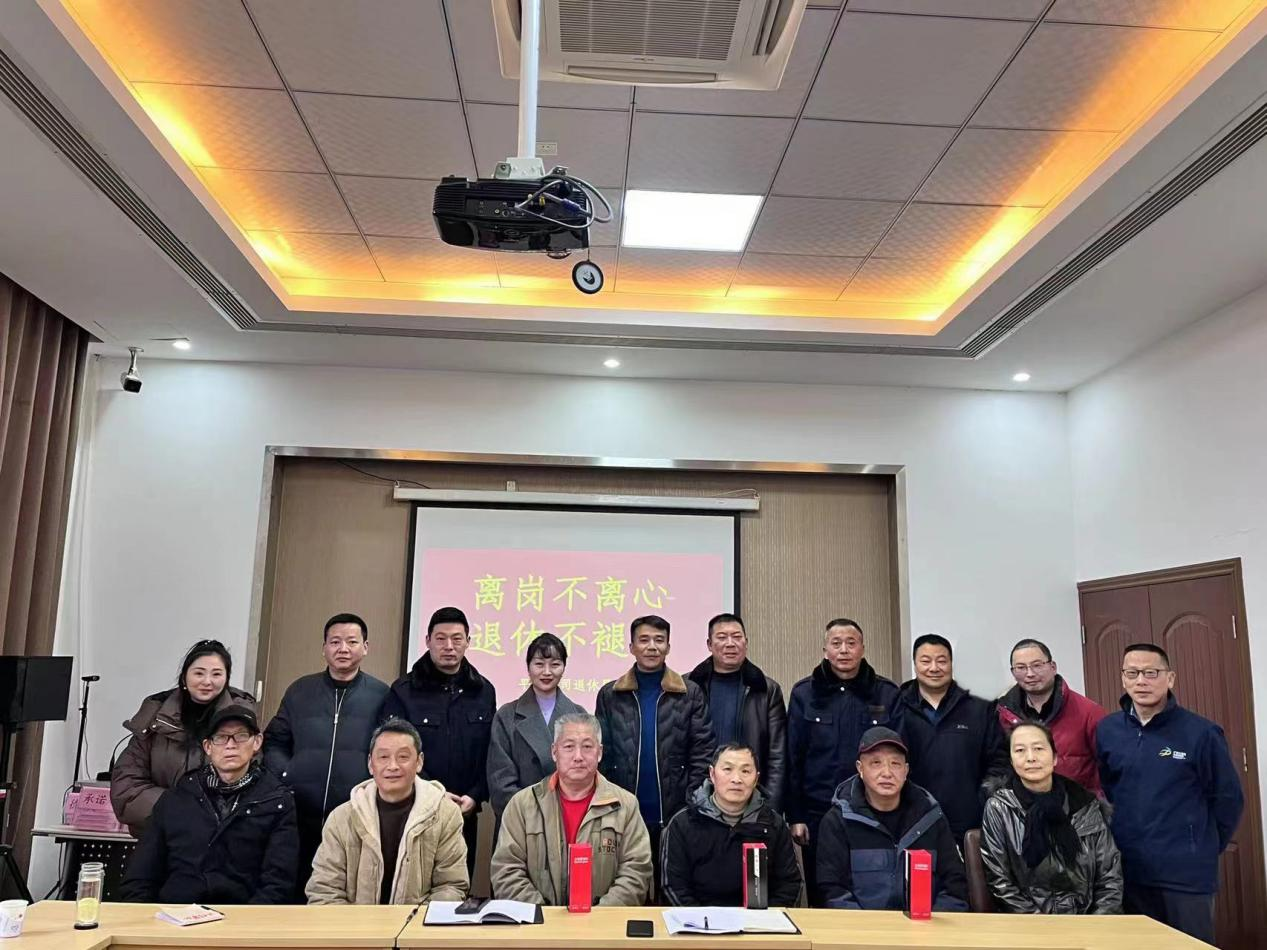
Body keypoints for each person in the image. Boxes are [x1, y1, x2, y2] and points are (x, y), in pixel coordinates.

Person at [1097, 643, 1244, 943]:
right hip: (1130, 871)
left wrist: (1201, 845)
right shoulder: (1108, 730)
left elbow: (1228, 799)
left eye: (1151, 673)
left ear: (1170, 678)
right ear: (1123, 678)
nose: (1141, 681)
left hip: (1185, 877)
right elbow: (1110, 788)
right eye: (1132, 673)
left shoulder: (1201, 733)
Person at [264, 612, 390, 897]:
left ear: (365, 647)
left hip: (355, 815)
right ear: (324, 648)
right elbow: (274, 741)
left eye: (351, 642)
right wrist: (287, 774)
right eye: (335, 642)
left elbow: (387, 750)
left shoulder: (381, 694)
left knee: (344, 894)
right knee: (293, 892)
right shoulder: (300, 690)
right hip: (299, 813)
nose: (343, 648)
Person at [119, 705, 298, 904]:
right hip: (176, 911)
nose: (230, 745)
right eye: (221, 737)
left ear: (257, 742)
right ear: (208, 747)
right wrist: (148, 916)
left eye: (241, 736)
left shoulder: (276, 801)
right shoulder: (177, 798)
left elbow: (278, 884)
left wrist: (246, 921)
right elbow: (140, 875)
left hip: (242, 914)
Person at [594, 615, 714, 890]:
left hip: (675, 811)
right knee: (624, 887)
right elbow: (602, 755)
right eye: (644, 640)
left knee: (671, 888)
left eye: (659, 640)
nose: (652, 647)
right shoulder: (610, 694)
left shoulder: (689, 693)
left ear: (668, 647)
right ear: (631, 647)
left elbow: (702, 751)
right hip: (622, 811)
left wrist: (690, 801)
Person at [786, 618, 899, 906]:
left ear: (863, 648)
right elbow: (793, 758)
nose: (844, 650)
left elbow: (901, 757)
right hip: (818, 812)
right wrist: (796, 815)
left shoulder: (887, 693)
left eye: (851, 643)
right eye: (836, 644)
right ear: (825, 650)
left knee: (873, 892)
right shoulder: (804, 693)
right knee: (823, 893)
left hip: (874, 812)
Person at [491, 713, 652, 905]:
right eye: (568, 747)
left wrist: (600, 916)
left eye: (587, 747)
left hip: (604, 921)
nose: (578, 757)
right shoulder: (522, 805)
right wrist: (544, 915)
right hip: (539, 921)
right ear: (554, 752)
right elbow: (506, 870)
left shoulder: (625, 805)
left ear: (600, 752)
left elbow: (636, 871)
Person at [382, 606, 496, 876]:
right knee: (411, 884)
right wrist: (433, 792)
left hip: (465, 812)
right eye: (441, 638)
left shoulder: (483, 691)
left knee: (457, 886)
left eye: (457, 639)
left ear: (468, 642)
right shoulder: (404, 690)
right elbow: (393, 752)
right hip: (414, 809)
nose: (449, 646)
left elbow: (490, 751)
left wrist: (475, 795)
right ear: (427, 641)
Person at [306, 718, 468, 905]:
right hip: (354, 922)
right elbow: (324, 890)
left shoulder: (445, 815)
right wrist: (356, 924)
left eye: (403, 757)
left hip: (416, 922)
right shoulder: (341, 818)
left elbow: (450, 886)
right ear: (370, 764)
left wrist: (413, 921)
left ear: (419, 762)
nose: (393, 766)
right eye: (383, 757)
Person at [112, 639, 256, 836]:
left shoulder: (242, 724)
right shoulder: (155, 719)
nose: (207, 681)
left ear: (226, 678)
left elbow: (252, 785)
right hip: (161, 836)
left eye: (216, 674)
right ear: (184, 676)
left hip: (220, 839)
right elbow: (127, 788)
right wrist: (181, 808)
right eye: (199, 673)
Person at [816, 727, 967, 911]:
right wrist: (866, 926)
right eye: (876, 763)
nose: (887, 773)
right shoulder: (838, 821)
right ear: (860, 768)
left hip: (926, 925)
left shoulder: (931, 817)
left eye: (895, 764)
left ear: (906, 771)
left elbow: (955, 886)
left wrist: (930, 923)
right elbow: (832, 892)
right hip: (860, 927)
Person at [980, 722, 1122, 914]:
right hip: (1027, 923)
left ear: (1055, 757)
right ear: (1011, 762)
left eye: (1039, 748)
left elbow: (1110, 877)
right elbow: (1000, 883)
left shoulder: (1085, 804)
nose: (1031, 757)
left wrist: (1097, 923)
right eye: (1020, 750)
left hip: (1088, 920)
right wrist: (1043, 926)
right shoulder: (1000, 807)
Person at [895, 634, 1008, 842]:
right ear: (914, 664)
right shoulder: (896, 709)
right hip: (910, 822)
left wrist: (980, 801)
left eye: (942, 661)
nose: (934, 668)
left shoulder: (979, 710)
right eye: (926, 661)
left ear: (951, 664)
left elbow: (999, 762)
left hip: (968, 825)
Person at [661, 743, 802, 907]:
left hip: (761, 919)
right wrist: (702, 919)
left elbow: (790, 884)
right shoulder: (683, 823)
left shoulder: (773, 824)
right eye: (727, 769)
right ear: (712, 774)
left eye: (745, 771)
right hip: (699, 918)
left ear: (756, 779)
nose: (736, 779)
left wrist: (765, 918)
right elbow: (674, 886)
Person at [687, 613, 788, 809]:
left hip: (752, 797)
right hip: (700, 796)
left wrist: (770, 807)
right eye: (722, 637)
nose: (730, 643)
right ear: (709, 644)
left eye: (736, 637)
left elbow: (777, 755)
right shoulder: (689, 686)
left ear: (746, 642)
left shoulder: (766, 689)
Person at [487, 632, 586, 817]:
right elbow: (500, 783)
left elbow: (587, 776)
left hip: (567, 819)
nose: (547, 672)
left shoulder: (580, 715)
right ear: (528, 667)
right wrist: (534, 816)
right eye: (539, 664)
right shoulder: (506, 716)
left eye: (555, 664)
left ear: (564, 668)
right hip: (520, 820)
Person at [997, 638, 1106, 792]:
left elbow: (1109, 769)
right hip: (1023, 803)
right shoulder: (1003, 715)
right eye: (1021, 667)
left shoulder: (1089, 712)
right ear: (1013, 673)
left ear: (1053, 667)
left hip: (1077, 803)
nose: (1030, 674)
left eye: (1037, 665)